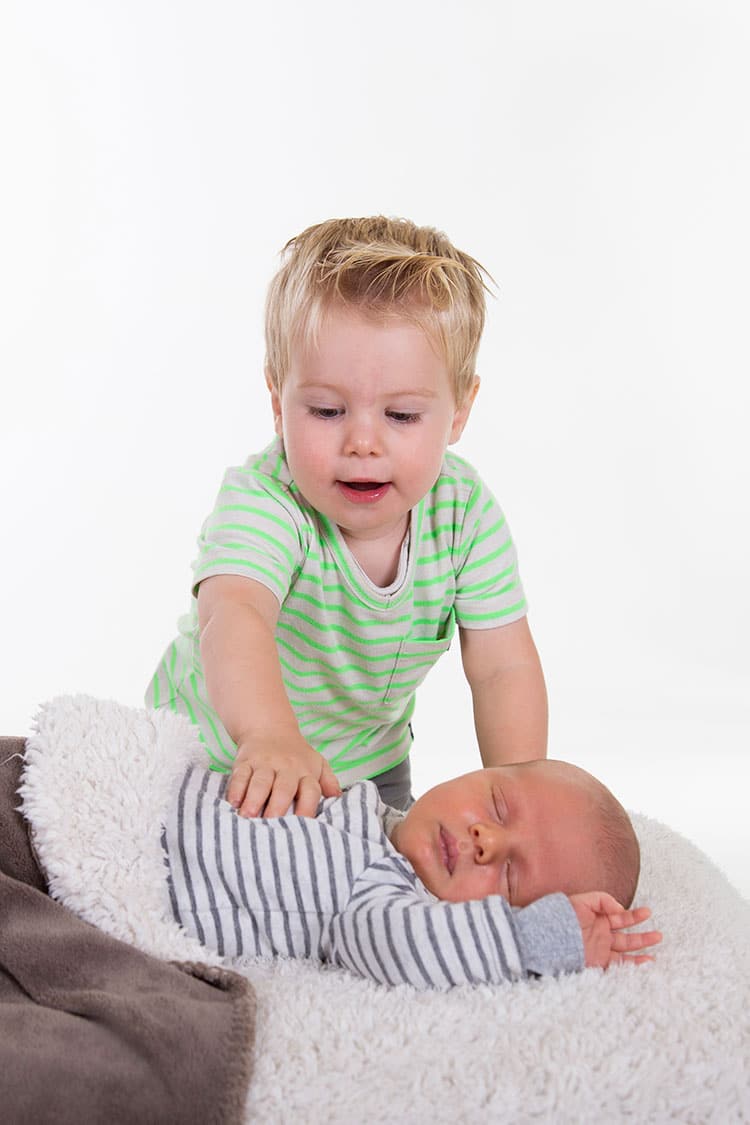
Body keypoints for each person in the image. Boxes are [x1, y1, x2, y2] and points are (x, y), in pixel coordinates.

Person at [147, 216, 549, 818]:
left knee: (391, 865)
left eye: (402, 416)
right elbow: (234, 616)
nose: (363, 442)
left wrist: (519, 796)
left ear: (460, 411)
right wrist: (269, 735)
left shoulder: (463, 513)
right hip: (219, 757)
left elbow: (502, 666)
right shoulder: (268, 501)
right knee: (215, 866)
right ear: (278, 400)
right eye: (327, 410)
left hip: (370, 768)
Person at [164, 756, 661, 991]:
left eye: (510, 879)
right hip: (160, 792)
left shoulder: (388, 893)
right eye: (498, 805)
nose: (488, 841)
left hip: (151, 869)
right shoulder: (366, 807)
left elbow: (405, 946)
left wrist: (539, 937)